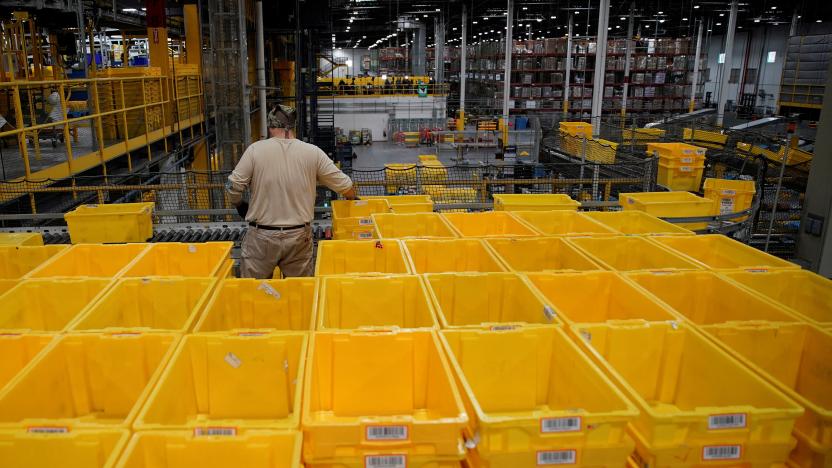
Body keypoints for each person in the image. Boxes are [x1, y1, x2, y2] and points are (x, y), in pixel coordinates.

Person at [226, 104, 358, 278]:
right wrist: (353, 198)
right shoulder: (313, 153)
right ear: (293, 125)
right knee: (299, 293)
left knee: (254, 291)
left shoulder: (255, 151)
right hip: (299, 237)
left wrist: (238, 204)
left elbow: (233, 185)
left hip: (261, 237)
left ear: (271, 126)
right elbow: (346, 186)